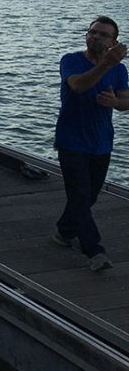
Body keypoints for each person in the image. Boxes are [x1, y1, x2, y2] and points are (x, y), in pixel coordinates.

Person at [52, 16, 129, 272]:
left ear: (113, 42)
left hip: (101, 142)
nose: (95, 36)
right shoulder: (71, 60)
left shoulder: (119, 69)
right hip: (71, 139)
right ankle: (94, 250)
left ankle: (64, 231)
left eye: (103, 34)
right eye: (92, 32)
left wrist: (116, 103)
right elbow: (77, 85)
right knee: (80, 194)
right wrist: (106, 64)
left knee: (89, 195)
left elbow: (126, 101)